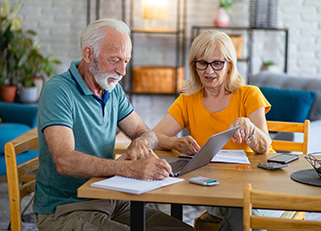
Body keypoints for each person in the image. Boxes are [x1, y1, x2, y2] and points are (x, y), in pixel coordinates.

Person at [33, 18, 193, 231]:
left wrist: (141, 142)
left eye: (126, 61)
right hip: (66, 208)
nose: (122, 71)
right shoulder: (58, 91)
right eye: (115, 60)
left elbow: (144, 132)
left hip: (109, 197)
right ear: (88, 54)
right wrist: (127, 169)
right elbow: (65, 161)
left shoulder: (112, 89)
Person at [152, 30, 282, 230]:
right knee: (240, 209)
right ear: (193, 65)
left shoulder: (249, 94)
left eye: (217, 63)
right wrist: (176, 142)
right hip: (213, 186)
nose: (209, 71)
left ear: (229, 65)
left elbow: (264, 148)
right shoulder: (188, 100)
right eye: (202, 63)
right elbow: (152, 137)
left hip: (254, 182)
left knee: (241, 207)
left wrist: (250, 128)